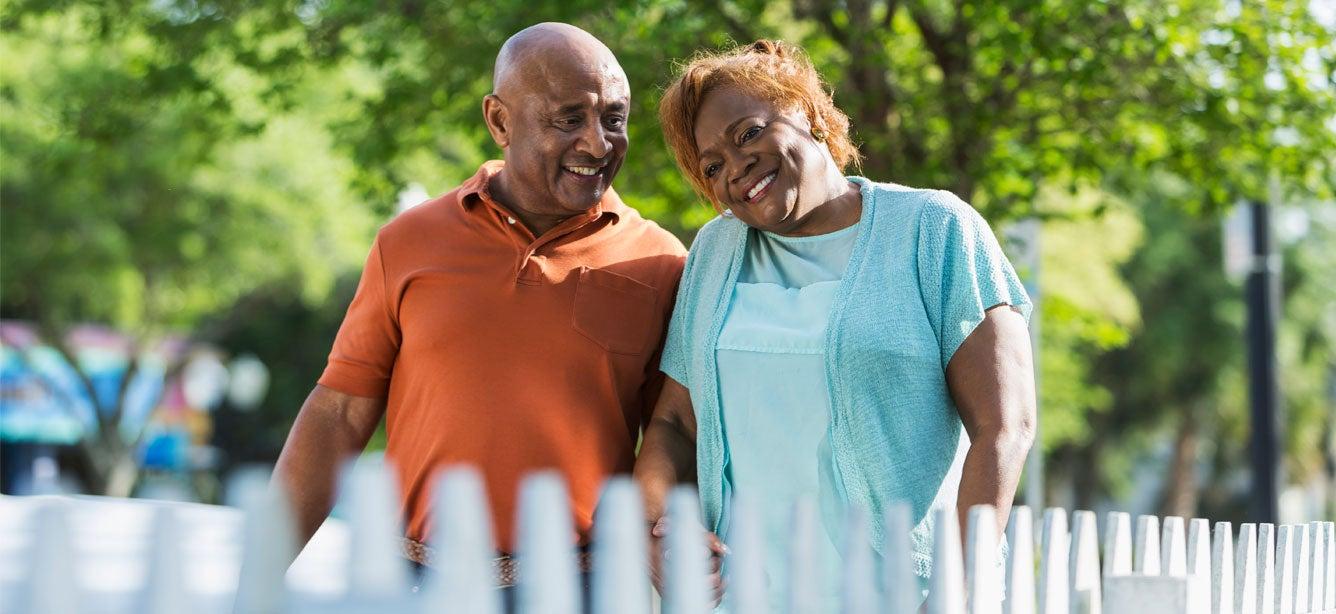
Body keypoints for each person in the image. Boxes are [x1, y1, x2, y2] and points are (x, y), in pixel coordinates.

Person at [271, 22, 687, 596]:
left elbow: (672, 432)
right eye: (568, 119)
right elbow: (339, 411)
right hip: (412, 582)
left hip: (582, 589)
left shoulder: (662, 262)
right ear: (499, 121)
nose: (597, 143)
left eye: (614, 119)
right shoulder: (408, 241)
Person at [634, 40, 1036, 609]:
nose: (736, 166)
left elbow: (1006, 425)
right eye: (713, 166)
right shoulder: (714, 251)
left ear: (810, 111)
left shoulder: (934, 229)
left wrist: (960, 586)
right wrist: (650, 516)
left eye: (748, 133)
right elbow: (676, 419)